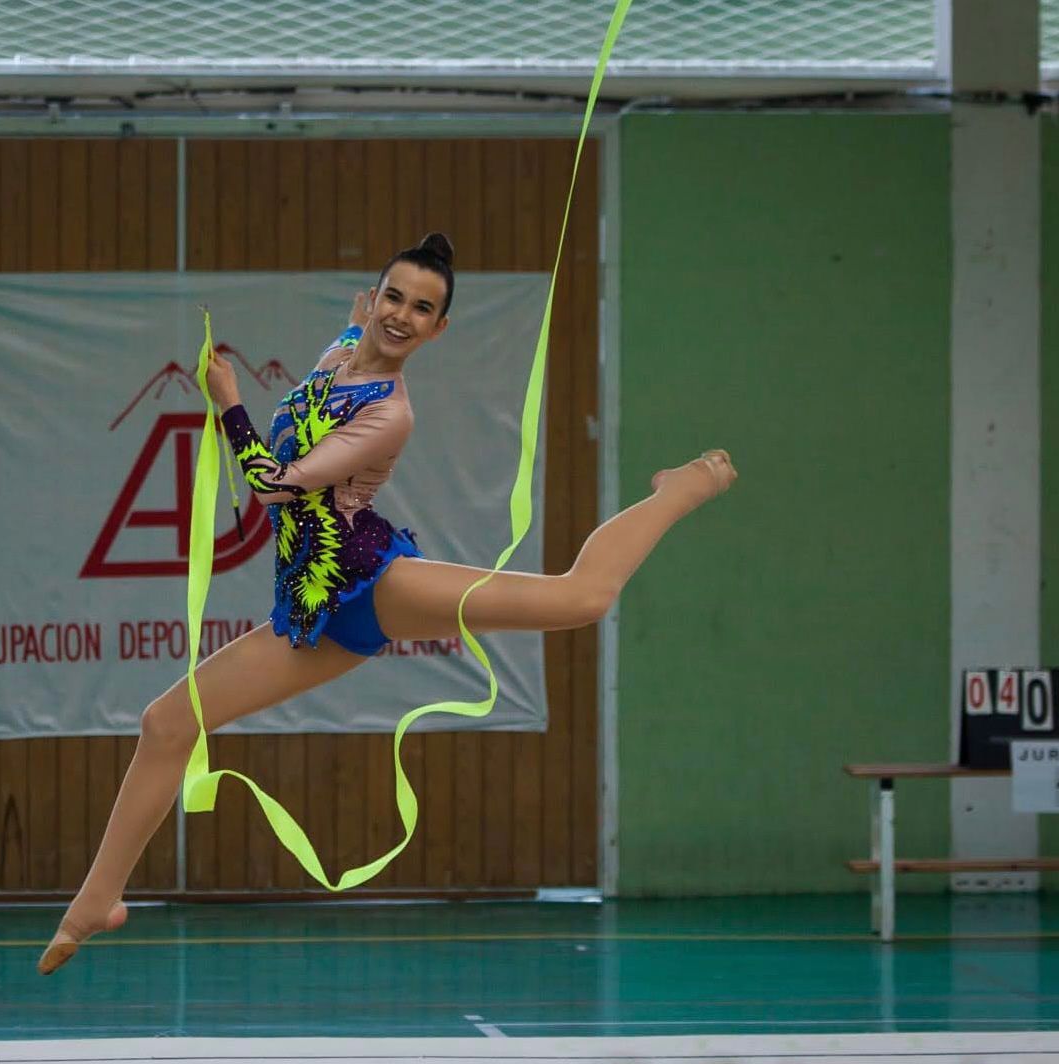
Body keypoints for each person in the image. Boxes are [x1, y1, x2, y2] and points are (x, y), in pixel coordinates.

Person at [37, 233, 735, 975]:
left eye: (422, 309)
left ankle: (685, 486)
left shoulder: (390, 413)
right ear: (371, 300)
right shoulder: (340, 353)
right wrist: (354, 324)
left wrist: (230, 402)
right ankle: (97, 901)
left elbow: (276, 485)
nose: (402, 315)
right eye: (394, 298)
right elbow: (353, 332)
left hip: (370, 580)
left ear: (439, 329)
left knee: (580, 597)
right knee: (166, 722)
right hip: (308, 611)